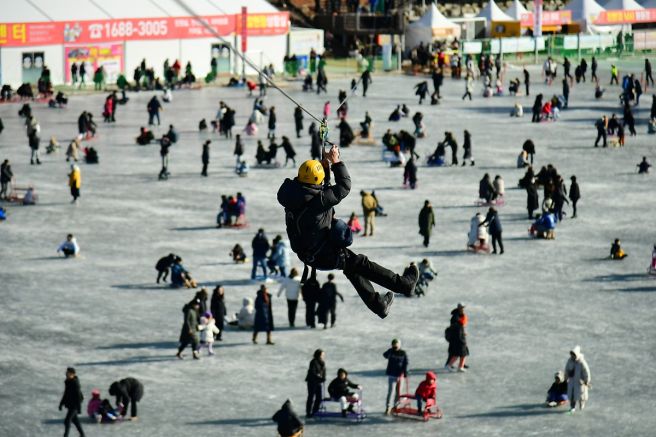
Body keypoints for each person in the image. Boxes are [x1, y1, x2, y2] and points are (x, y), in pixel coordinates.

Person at [277, 150, 419, 319]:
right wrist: (336, 162)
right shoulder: (318, 202)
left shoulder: (293, 194)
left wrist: (325, 171)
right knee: (360, 263)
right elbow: (344, 187)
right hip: (323, 254)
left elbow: (318, 192)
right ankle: (404, 285)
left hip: (309, 253)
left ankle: (379, 305)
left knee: (352, 267)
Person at [383, 338, 408, 415]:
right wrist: (391, 350)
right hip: (392, 375)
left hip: (400, 375)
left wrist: (405, 372)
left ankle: (396, 406)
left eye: (397, 344)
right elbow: (385, 355)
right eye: (394, 344)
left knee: (398, 392)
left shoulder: (403, 353)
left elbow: (405, 363)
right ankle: (388, 407)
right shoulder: (391, 351)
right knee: (391, 392)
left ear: (399, 345)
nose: (396, 346)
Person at [59, 367, 85, 437]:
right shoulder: (68, 381)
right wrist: (61, 403)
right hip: (70, 404)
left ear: (73, 374)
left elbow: (78, 396)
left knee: (67, 421)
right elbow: (66, 393)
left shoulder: (75, 384)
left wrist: (79, 408)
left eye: (68, 373)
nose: (66, 374)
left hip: (75, 405)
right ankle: (82, 435)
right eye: (66, 373)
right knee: (75, 420)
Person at [564, 346, 591, 413]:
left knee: (581, 394)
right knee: (572, 394)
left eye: (574, 354)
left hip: (579, 382)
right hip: (572, 381)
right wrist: (566, 377)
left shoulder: (581, 362)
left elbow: (586, 371)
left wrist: (586, 380)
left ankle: (582, 403)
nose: (572, 356)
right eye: (572, 354)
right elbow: (567, 369)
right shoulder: (570, 361)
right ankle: (572, 407)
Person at [445, 303, 469, 371]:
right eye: (462, 308)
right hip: (458, 338)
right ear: (459, 308)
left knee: (463, 353)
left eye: (463, 308)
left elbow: (461, 327)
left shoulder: (460, 316)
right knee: (457, 353)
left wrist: (463, 332)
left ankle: (461, 366)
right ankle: (448, 365)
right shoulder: (455, 317)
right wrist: (460, 336)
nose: (463, 309)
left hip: (460, 337)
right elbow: (456, 328)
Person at [305, 349, 326, 417]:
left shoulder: (322, 362)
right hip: (312, 382)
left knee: (319, 398)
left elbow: (323, 371)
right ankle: (309, 412)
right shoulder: (313, 362)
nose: (323, 356)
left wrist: (323, 378)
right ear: (319, 355)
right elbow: (313, 372)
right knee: (311, 397)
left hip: (318, 382)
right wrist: (319, 377)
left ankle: (315, 411)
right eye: (322, 354)